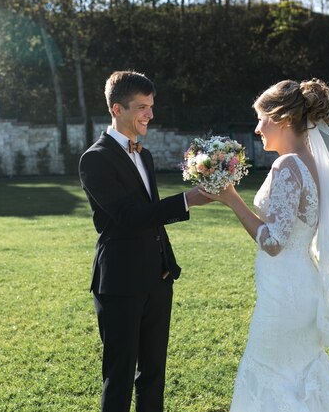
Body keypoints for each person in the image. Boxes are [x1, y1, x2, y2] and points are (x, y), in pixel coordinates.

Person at [199, 79, 329, 411]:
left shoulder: (288, 165)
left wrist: (231, 199)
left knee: (268, 373)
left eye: (262, 118)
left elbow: (273, 242)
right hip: (303, 287)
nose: (257, 128)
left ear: (283, 118)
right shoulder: (314, 162)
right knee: (298, 375)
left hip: (284, 298)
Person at [78, 70, 210, 412]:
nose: (149, 114)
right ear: (117, 109)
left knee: (154, 373)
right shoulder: (94, 159)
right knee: (119, 377)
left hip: (157, 279)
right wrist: (187, 200)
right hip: (120, 283)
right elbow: (128, 216)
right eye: (142, 107)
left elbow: (150, 216)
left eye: (151, 106)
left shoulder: (145, 155)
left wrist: (166, 264)